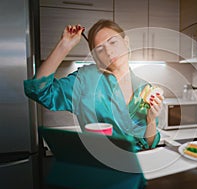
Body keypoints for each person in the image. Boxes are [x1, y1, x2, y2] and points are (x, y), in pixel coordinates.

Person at [24, 19, 164, 151]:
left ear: (126, 42)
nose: (108, 52)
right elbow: (39, 91)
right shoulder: (85, 79)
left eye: (113, 42)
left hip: (139, 166)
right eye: (100, 49)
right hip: (101, 166)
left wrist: (150, 119)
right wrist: (64, 46)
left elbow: (149, 144)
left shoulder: (145, 88)